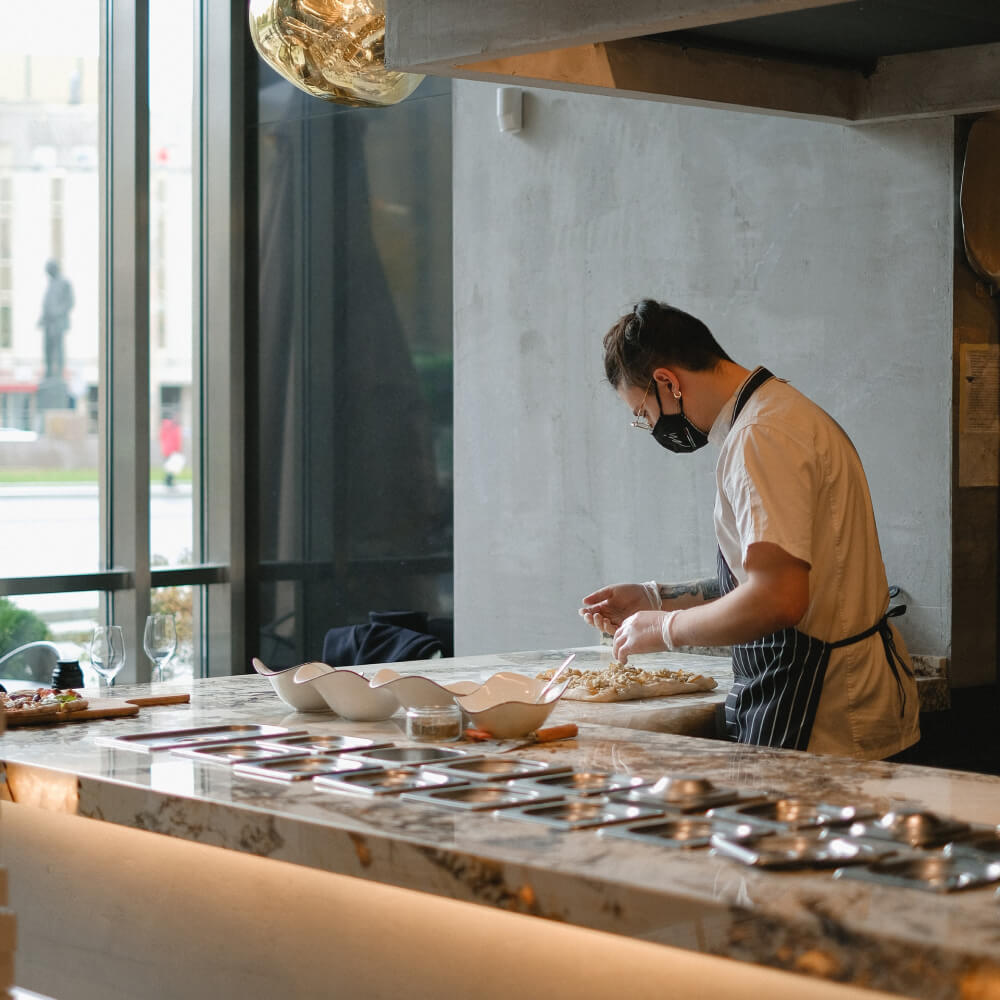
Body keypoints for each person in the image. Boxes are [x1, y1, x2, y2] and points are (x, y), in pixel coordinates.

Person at [580, 298, 919, 761]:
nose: (650, 425)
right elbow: (774, 576)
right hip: (833, 699)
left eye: (642, 413)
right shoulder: (779, 413)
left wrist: (665, 628)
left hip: (822, 713)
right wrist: (655, 596)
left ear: (667, 382)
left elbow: (778, 598)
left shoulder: (762, 436)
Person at [38, 259, 74, 380]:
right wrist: (42, 318)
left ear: (54, 269)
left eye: (49, 270)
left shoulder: (64, 283)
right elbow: (47, 305)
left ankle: (58, 373)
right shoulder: (50, 284)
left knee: (58, 349)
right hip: (48, 323)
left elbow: (70, 302)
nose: (47, 273)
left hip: (57, 323)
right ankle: (48, 372)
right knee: (47, 349)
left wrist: (57, 312)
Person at [159, 414, 183, 487]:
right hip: (172, 450)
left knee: (170, 466)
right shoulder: (174, 427)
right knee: (172, 466)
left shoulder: (165, 427)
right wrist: (178, 449)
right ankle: (168, 480)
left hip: (166, 449)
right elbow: (177, 439)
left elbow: (161, 437)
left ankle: (168, 480)